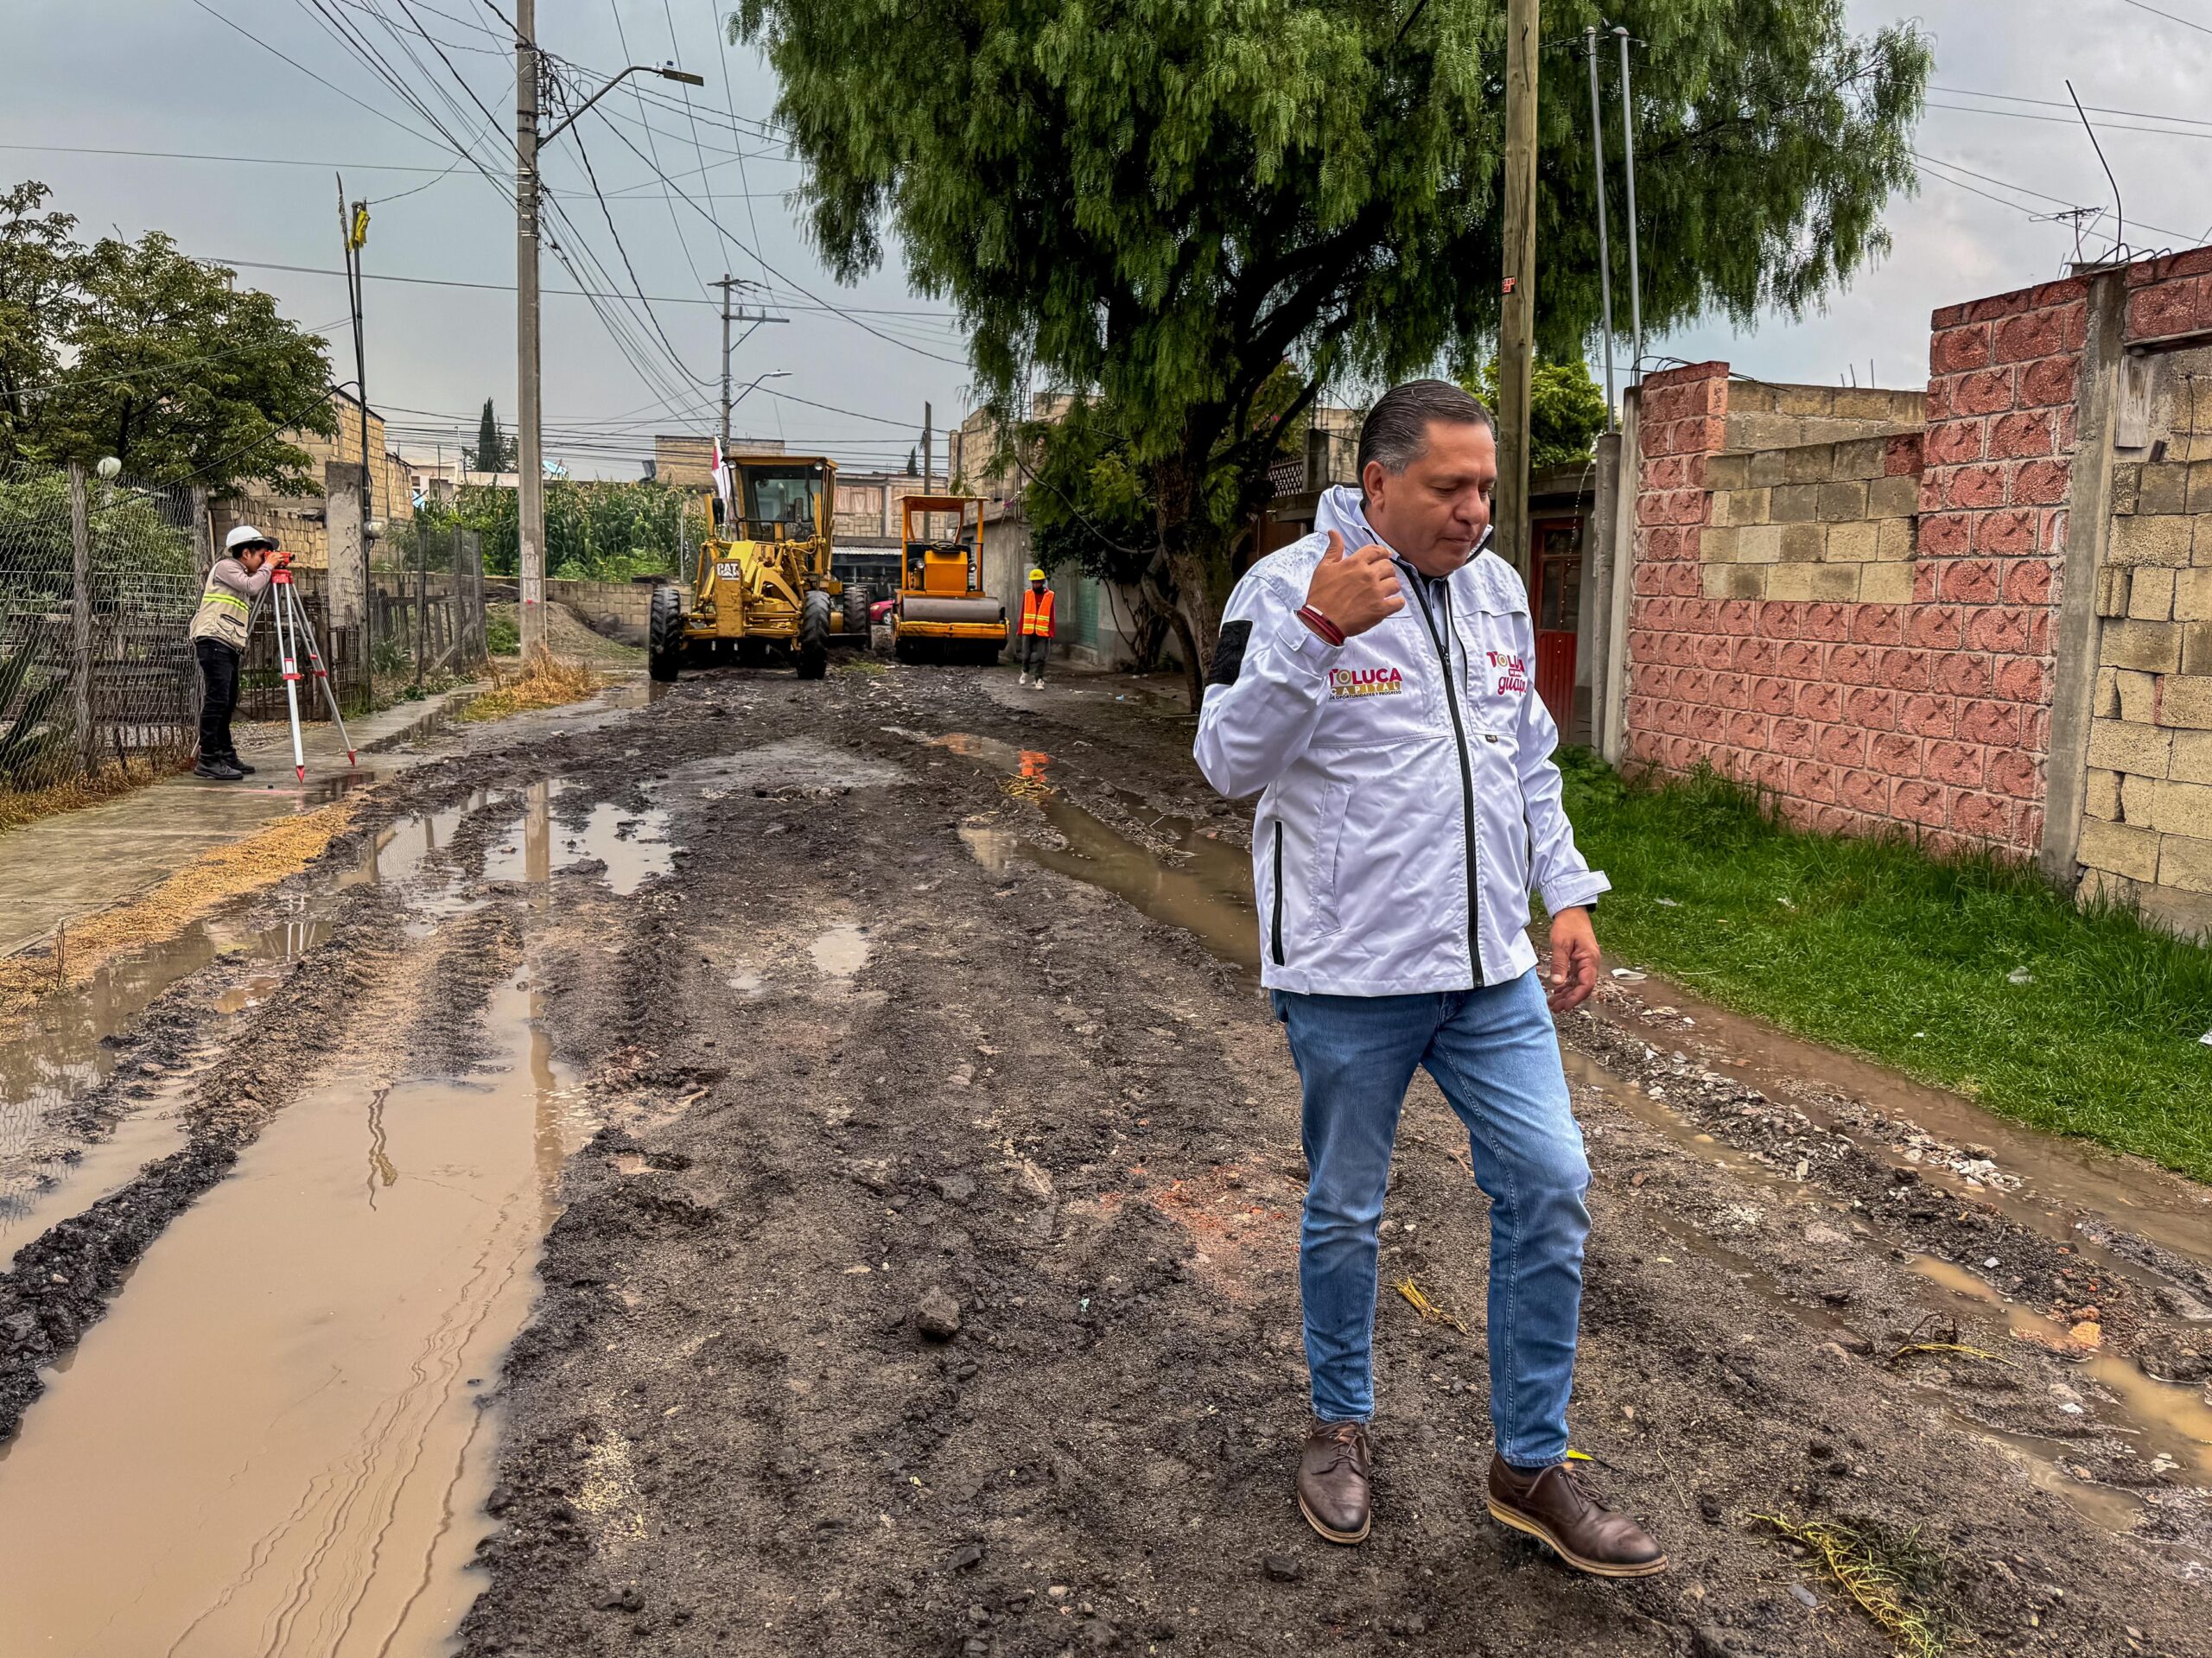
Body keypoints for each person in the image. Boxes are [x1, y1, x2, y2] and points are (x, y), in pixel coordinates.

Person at [1192, 379, 1664, 1578]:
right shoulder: (1286, 588)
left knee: (1551, 1179)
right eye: (1451, 488)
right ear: (1378, 484)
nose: (1476, 512)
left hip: (1488, 970)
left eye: (1487, 488)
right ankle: (1339, 1426)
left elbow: (1528, 763)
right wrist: (1317, 634)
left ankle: (1528, 1463)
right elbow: (1224, 763)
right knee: (1348, 1204)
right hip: (1350, 971)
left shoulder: (1499, 592)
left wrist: (1565, 894)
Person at [188, 525, 279, 781]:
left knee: (227, 701)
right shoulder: (226, 567)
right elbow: (252, 587)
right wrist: (269, 567)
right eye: (262, 555)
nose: (265, 560)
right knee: (217, 700)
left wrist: (267, 568)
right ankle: (208, 759)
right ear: (246, 552)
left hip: (227, 642)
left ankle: (225, 753)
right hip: (214, 638)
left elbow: (255, 585)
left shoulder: (243, 572)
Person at [1017, 568, 1055, 688]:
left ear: (1043, 582)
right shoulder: (1027, 594)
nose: (1035, 584)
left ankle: (1039, 679)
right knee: (1026, 655)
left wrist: (1051, 632)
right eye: (1033, 582)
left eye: (1038, 582)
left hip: (1042, 631)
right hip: (1028, 630)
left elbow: (1052, 615)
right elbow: (1023, 612)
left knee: (1041, 657)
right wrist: (1020, 629)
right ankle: (1025, 671)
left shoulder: (1049, 596)